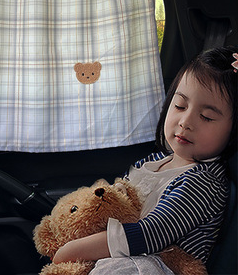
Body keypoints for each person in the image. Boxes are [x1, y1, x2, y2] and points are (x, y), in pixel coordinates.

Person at [53, 46, 237, 274]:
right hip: (121, 256)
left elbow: (150, 234)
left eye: (206, 117)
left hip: (156, 263)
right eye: (180, 106)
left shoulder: (203, 182)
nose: (185, 121)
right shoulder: (155, 161)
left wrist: (72, 250)